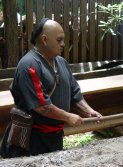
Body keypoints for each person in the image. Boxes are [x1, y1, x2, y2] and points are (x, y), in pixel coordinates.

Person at [0, 18, 102, 158]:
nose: (63, 44)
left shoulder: (62, 63)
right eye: (59, 40)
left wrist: (89, 111)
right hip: (31, 138)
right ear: (44, 39)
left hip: (55, 135)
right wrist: (67, 116)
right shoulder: (29, 65)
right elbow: (41, 106)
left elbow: (74, 94)